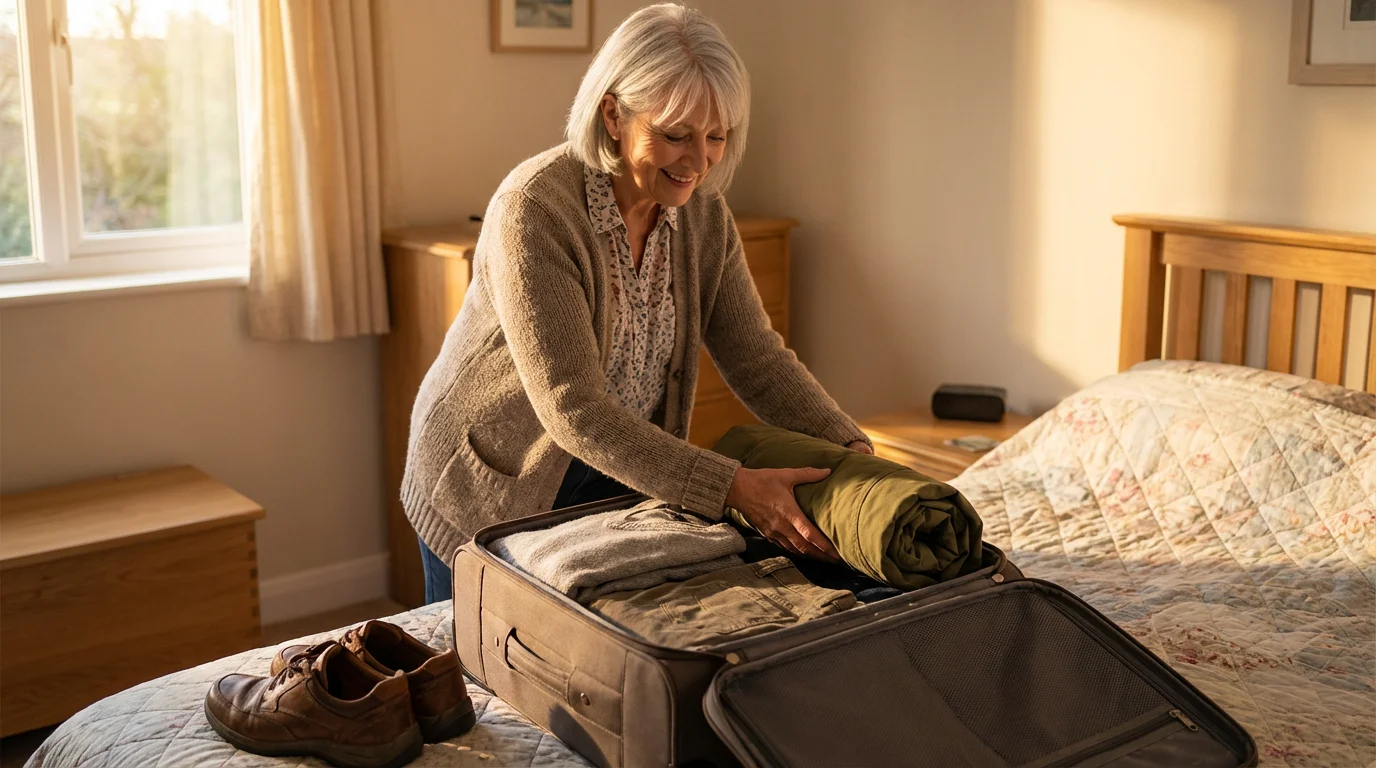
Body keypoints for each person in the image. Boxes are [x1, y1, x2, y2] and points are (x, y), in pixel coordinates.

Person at [402, 3, 871, 604]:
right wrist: (732, 487)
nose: (697, 161)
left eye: (717, 136)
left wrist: (849, 447)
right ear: (613, 114)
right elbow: (574, 409)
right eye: (675, 134)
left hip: (614, 468)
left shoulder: (703, 217)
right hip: (493, 481)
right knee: (482, 672)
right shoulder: (536, 211)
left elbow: (756, 357)